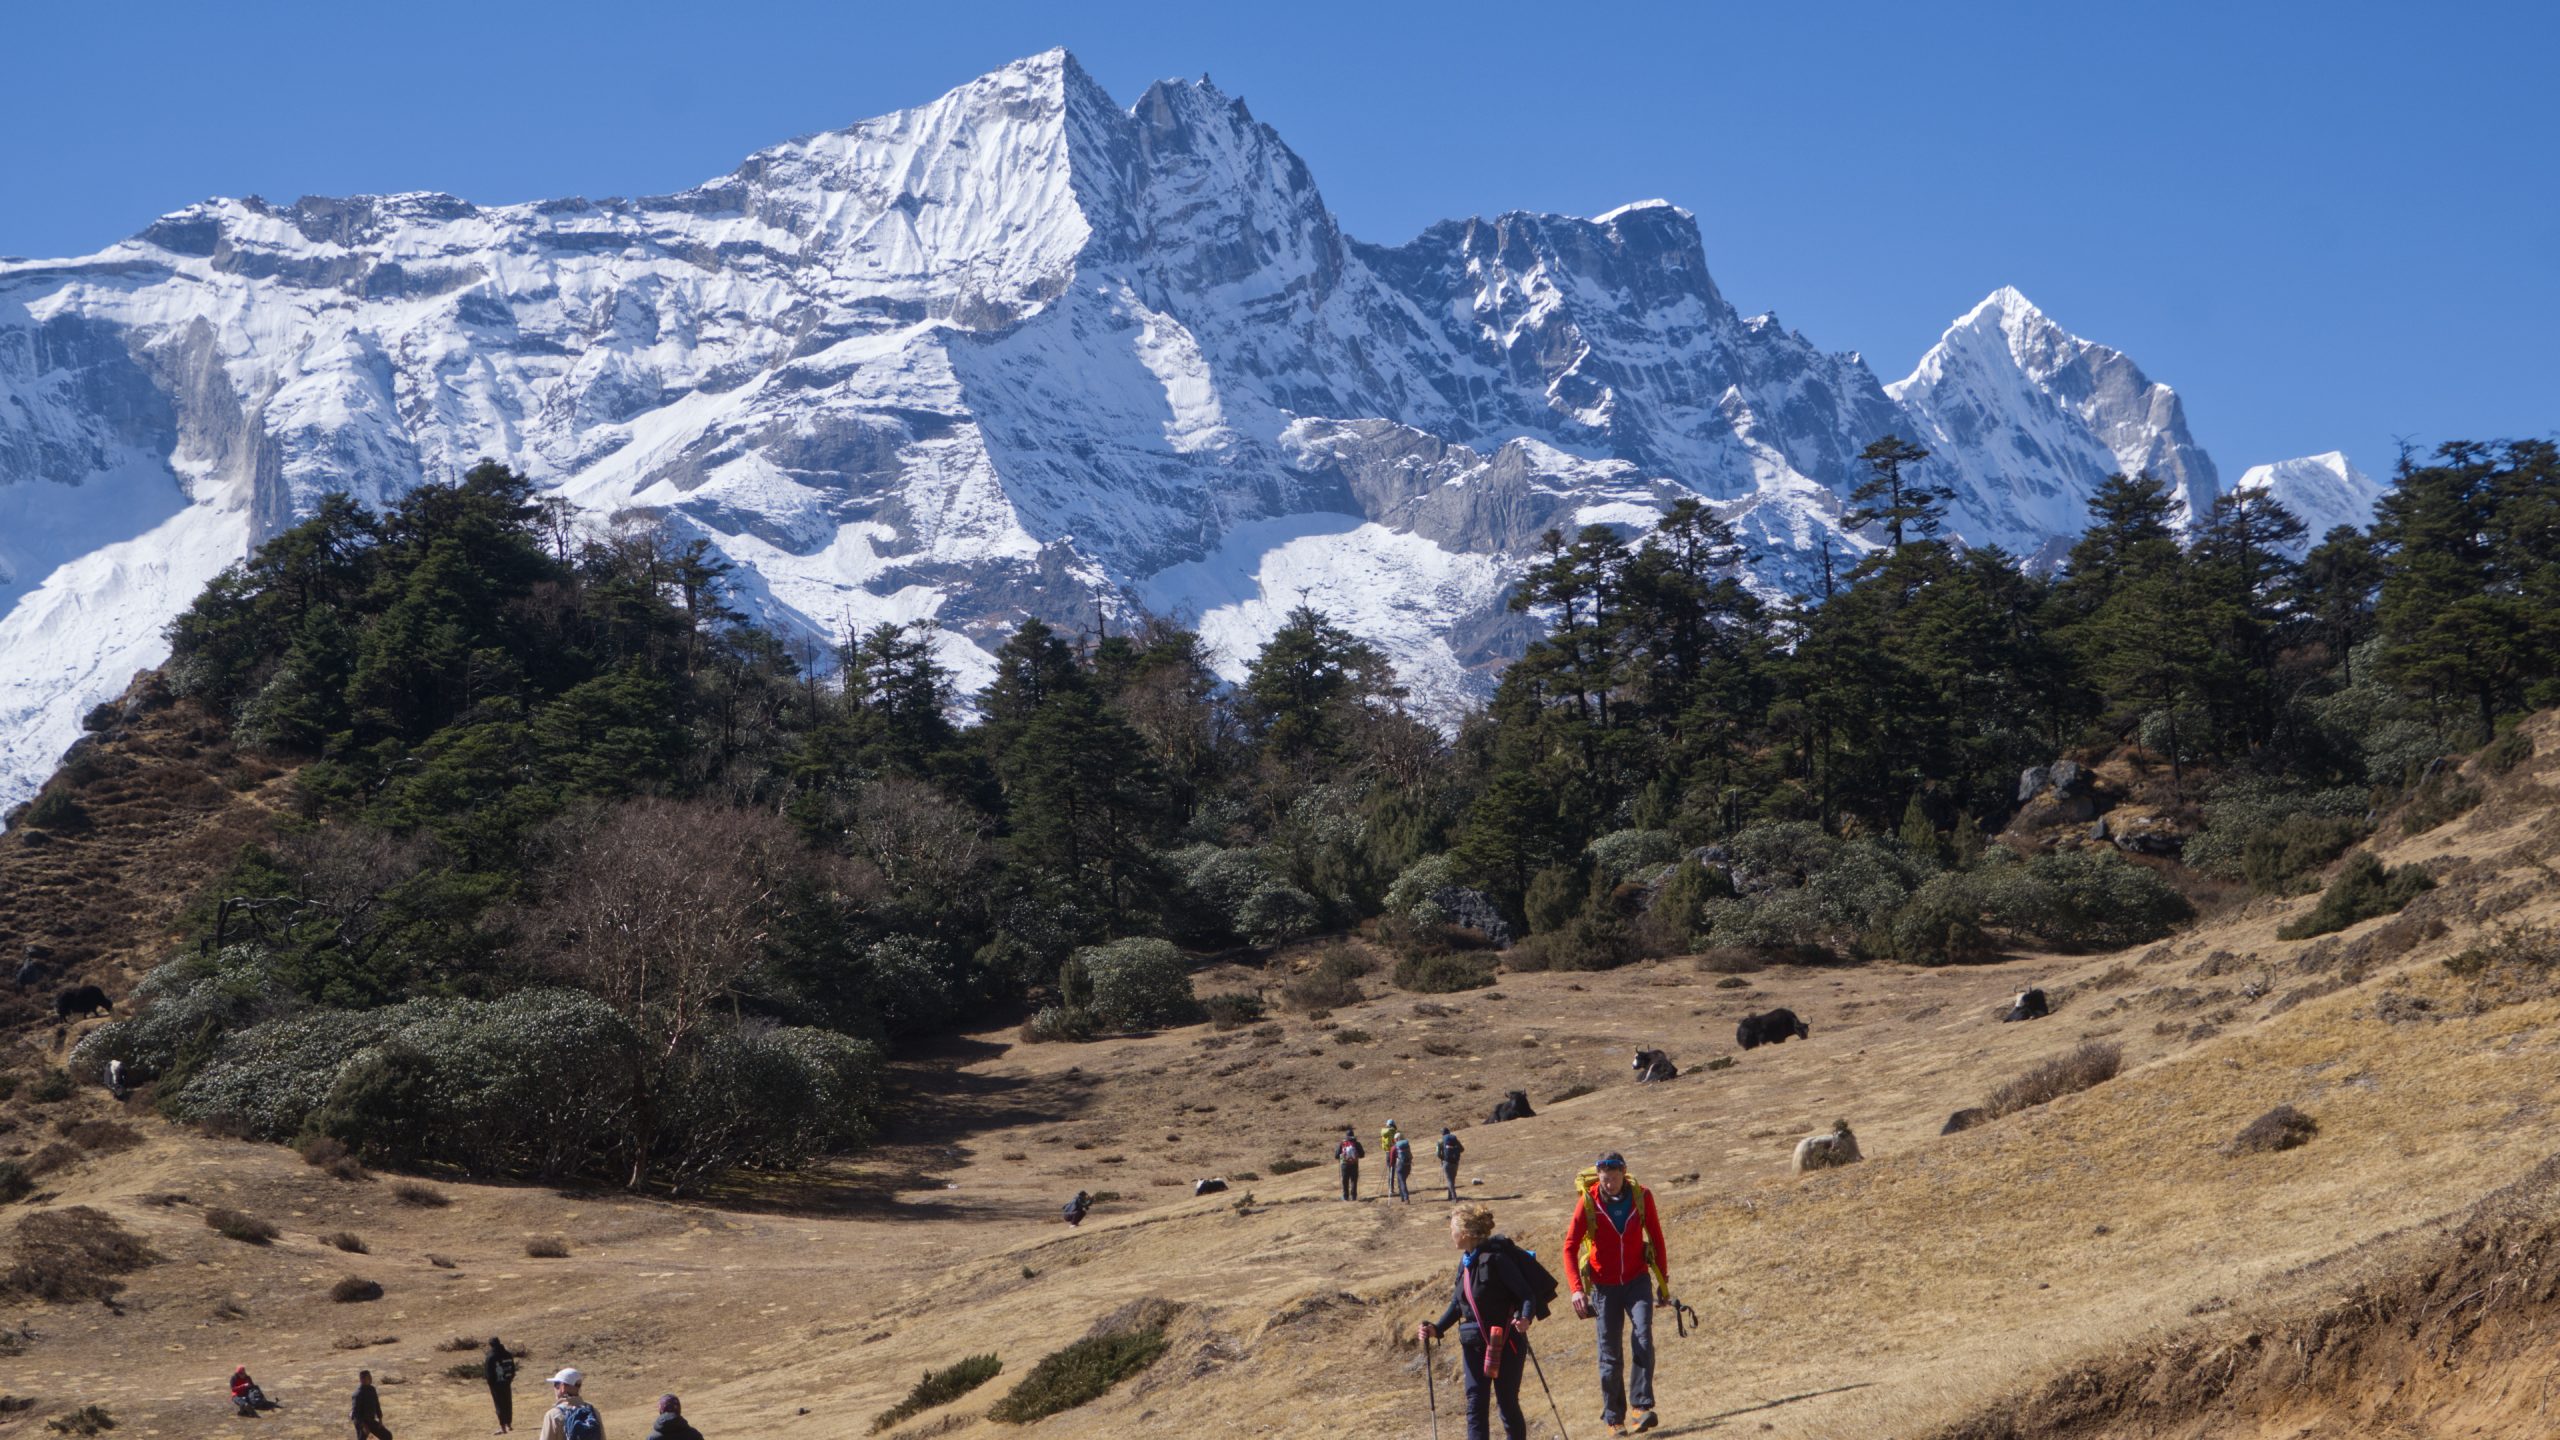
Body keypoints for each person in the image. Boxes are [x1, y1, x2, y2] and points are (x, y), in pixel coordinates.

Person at [1560, 1152, 1671, 1435]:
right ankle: (1614, 1419)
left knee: (1643, 1337)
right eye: (1604, 1179)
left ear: (1624, 1173)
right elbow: (1569, 1247)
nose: (1608, 1184)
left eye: (1613, 1178)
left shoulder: (1642, 1197)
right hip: (1604, 1288)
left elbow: (1656, 1237)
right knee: (1610, 1355)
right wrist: (1576, 1290)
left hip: (1637, 1281)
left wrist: (1663, 1282)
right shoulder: (1589, 1203)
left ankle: (1641, 1407)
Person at [1417, 1205, 1543, 1440]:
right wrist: (1436, 1329)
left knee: (1507, 1403)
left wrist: (1525, 1318)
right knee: (1475, 1403)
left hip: (1507, 1341)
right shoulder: (1465, 1263)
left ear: (1465, 1233)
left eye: (1452, 1229)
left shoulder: (1497, 1260)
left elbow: (1526, 1294)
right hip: (1474, 1343)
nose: (1450, 1234)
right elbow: (1458, 1305)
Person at [541, 1368, 603, 1440]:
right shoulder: (593, 1412)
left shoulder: (553, 1415)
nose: (554, 1388)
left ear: (563, 1387)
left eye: (556, 1384)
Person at [485, 1336, 519, 1434]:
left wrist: (491, 1383)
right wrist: (509, 1379)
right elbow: (512, 1368)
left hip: (496, 1384)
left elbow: (488, 1372)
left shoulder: (491, 1356)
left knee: (499, 1405)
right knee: (508, 1403)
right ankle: (509, 1424)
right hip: (506, 1382)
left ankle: (503, 1427)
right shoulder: (507, 1354)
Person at [352, 1369, 392, 1440]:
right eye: (368, 1377)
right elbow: (356, 1414)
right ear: (362, 1380)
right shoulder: (358, 1394)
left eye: (370, 1377)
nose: (371, 1379)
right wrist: (364, 1426)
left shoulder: (372, 1389)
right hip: (361, 1422)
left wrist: (380, 1419)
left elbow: (377, 1404)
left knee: (387, 1436)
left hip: (370, 1420)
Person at [1336, 1127, 1365, 1201]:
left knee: (1345, 1180)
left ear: (1346, 1135)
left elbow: (1336, 1155)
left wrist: (1341, 1157)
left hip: (1344, 1164)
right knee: (1353, 1180)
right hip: (1354, 1164)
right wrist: (1356, 1156)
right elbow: (1362, 1154)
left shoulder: (1342, 1143)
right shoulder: (1357, 1143)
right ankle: (1353, 1196)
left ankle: (1345, 1197)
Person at [1437, 1126, 1465, 1201]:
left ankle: (1454, 1197)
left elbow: (1437, 1153)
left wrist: (1442, 1158)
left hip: (1446, 1162)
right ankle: (1450, 1196)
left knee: (1449, 1180)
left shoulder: (1440, 1141)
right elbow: (1462, 1149)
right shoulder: (1454, 1139)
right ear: (1449, 1132)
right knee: (1452, 1180)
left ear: (1442, 1134)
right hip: (1455, 1162)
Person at [1390, 1130, 1415, 1203]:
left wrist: (1392, 1165)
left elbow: (1392, 1160)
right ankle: (1402, 1197)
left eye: (1395, 1139)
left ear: (1397, 1139)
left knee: (1402, 1182)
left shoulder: (1394, 1147)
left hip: (1400, 1166)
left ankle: (1406, 1198)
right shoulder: (1406, 1145)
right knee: (1401, 1181)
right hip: (1408, 1165)